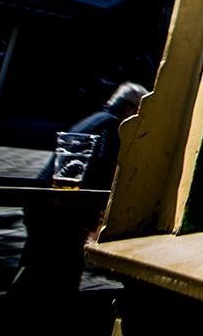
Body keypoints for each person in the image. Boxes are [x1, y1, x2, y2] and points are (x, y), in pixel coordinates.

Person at [10, 81, 147, 298]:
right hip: (63, 210)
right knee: (61, 269)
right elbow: (104, 166)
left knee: (36, 262)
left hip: (43, 202)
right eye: (139, 113)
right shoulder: (111, 125)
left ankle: (16, 303)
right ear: (129, 108)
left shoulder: (94, 119)